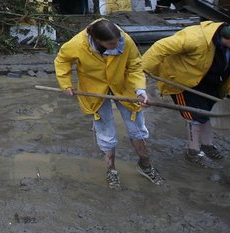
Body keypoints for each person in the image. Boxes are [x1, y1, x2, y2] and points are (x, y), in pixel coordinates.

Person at [54, 18, 163, 189]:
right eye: (111, 43)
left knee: (137, 128)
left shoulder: (125, 40)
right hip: (95, 89)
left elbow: (135, 65)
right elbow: (62, 60)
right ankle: (111, 170)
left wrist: (140, 90)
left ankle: (145, 165)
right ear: (98, 41)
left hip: (123, 85)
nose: (116, 44)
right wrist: (66, 84)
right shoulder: (77, 44)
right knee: (105, 131)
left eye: (117, 41)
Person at [142, 22, 230, 166]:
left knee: (208, 114)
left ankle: (207, 145)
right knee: (194, 117)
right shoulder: (196, 38)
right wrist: (142, 73)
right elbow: (160, 47)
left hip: (211, 82)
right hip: (184, 83)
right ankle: (193, 151)